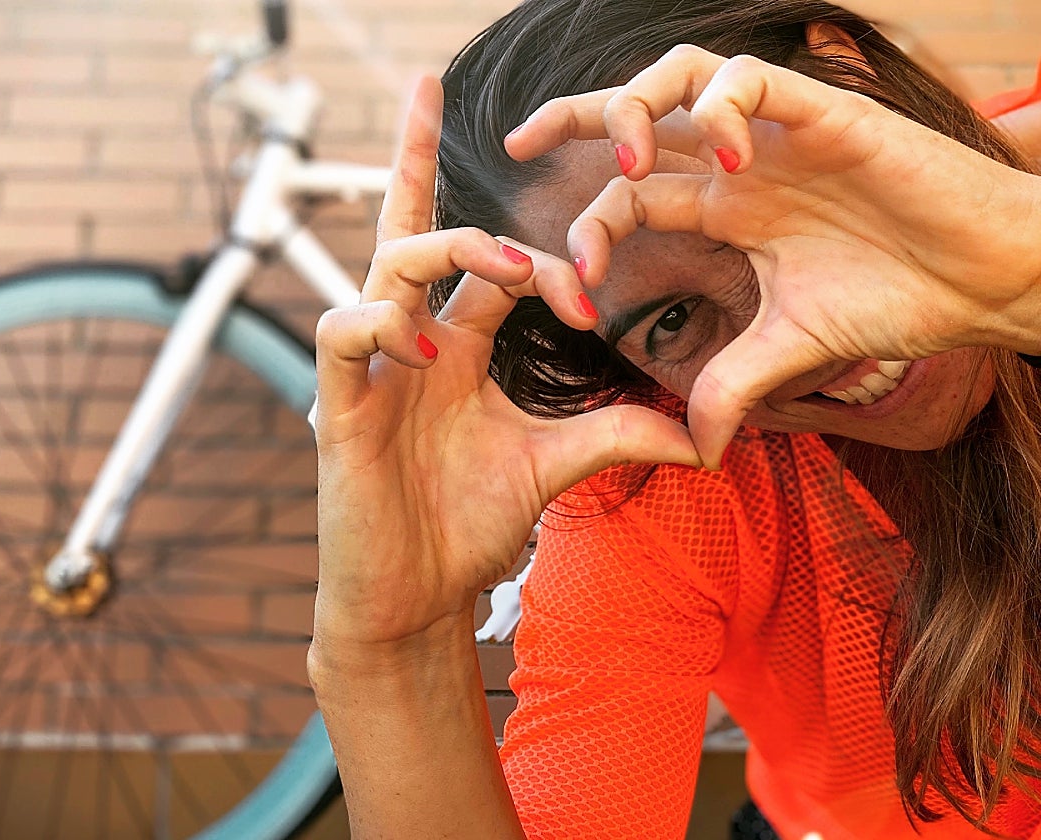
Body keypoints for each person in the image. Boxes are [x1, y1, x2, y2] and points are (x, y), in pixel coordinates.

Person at [309, 1, 1041, 837]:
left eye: (770, 210)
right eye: (672, 321)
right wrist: (392, 651)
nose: (797, 334)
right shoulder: (667, 475)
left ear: (849, 71)